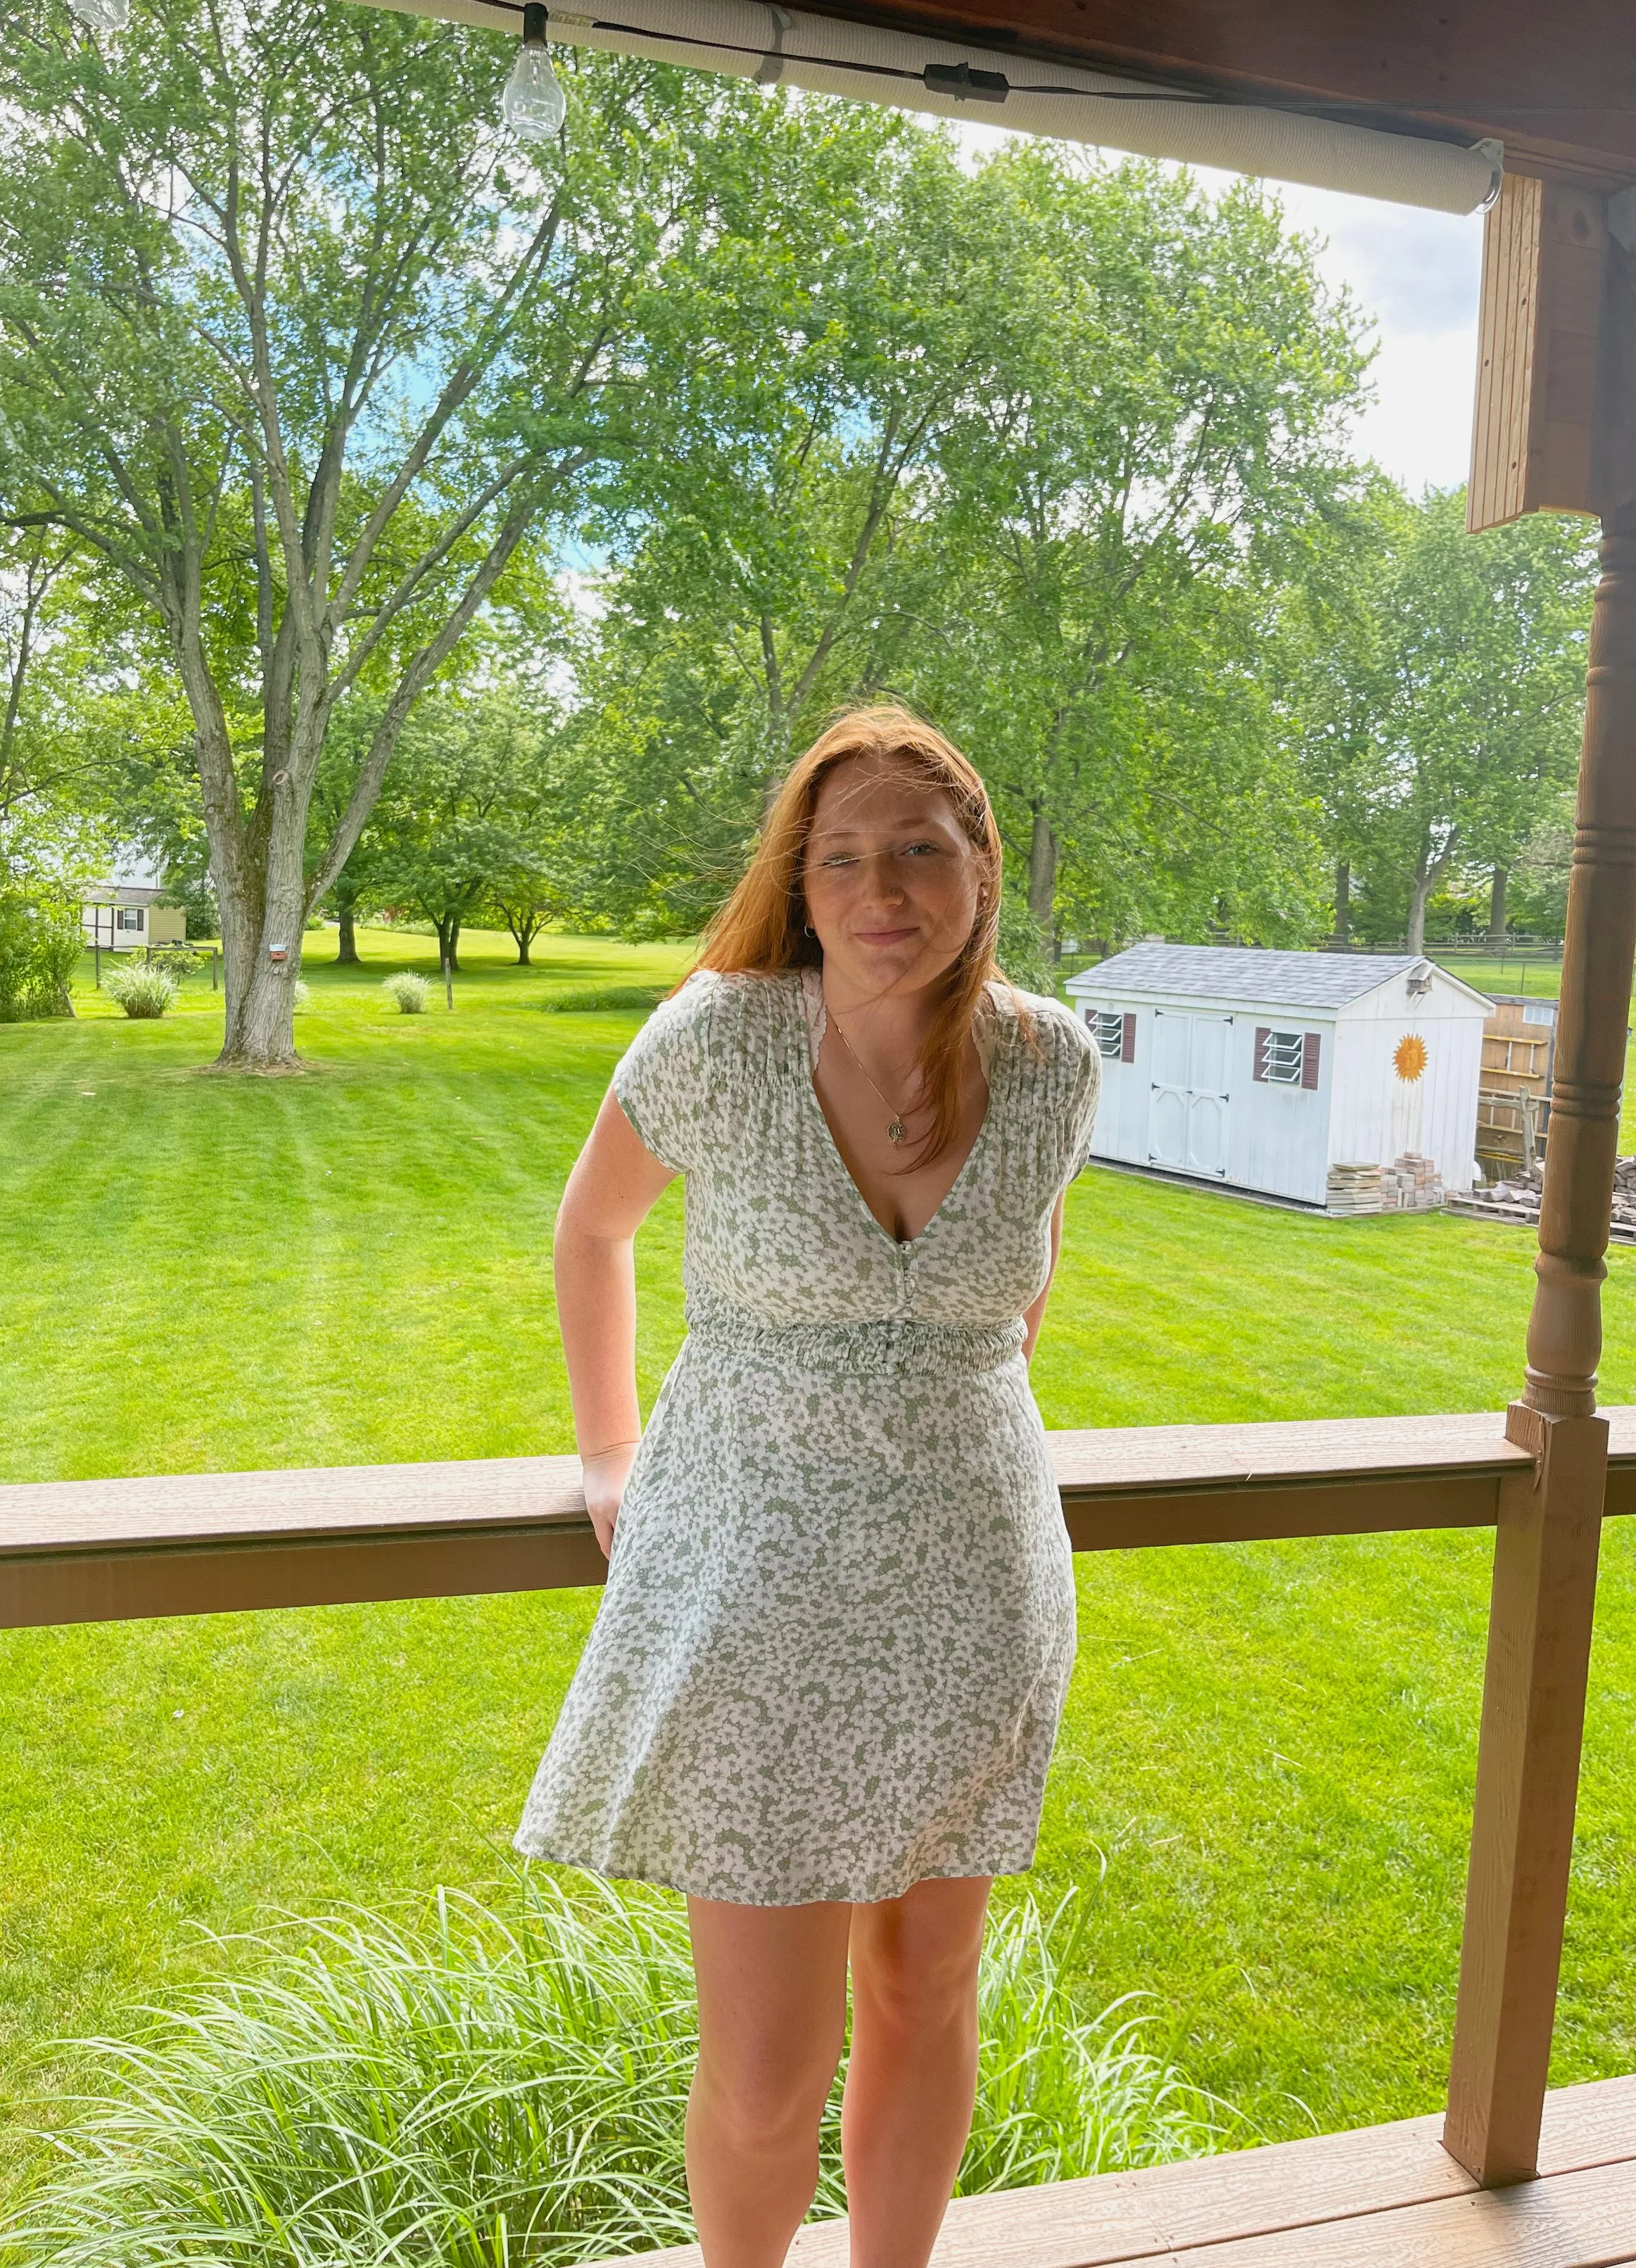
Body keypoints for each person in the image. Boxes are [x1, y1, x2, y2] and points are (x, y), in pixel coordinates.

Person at [515, 704, 1101, 2268]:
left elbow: (1017, 1297)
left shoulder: (1054, 1064)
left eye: (918, 845)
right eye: (838, 855)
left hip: (971, 1580)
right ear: (797, 880)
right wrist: (606, 1450)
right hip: (748, 1588)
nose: (878, 885)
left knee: (925, 1990)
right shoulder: (716, 1038)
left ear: (979, 863)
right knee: (769, 2066)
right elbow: (590, 1231)